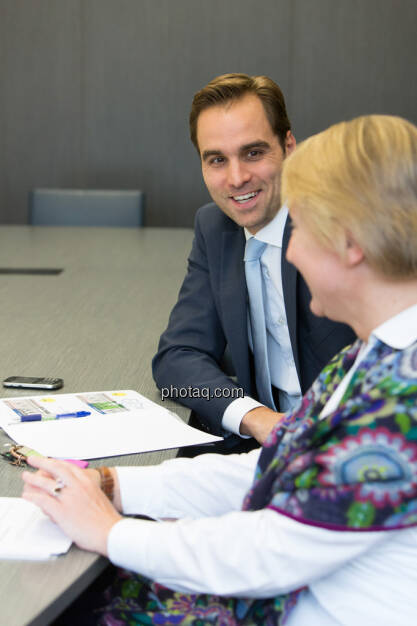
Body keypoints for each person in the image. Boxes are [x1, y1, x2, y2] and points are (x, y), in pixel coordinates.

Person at [23, 114, 417, 625]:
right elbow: (277, 464)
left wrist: (110, 531)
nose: (289, 249)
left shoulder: (399, 399)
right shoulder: (372, 356)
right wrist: (115, 486)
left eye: (303, 228)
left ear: (350, 243)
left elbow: (267, 552)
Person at [152, 73, 354, 454]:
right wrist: (254, 416)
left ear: (290, 147)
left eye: (253, 153)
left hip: (348, 453)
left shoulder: (341, 226)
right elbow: (175, 360)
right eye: (216, 160)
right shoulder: (215, 228)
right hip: (257, 446)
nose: (237, 178)